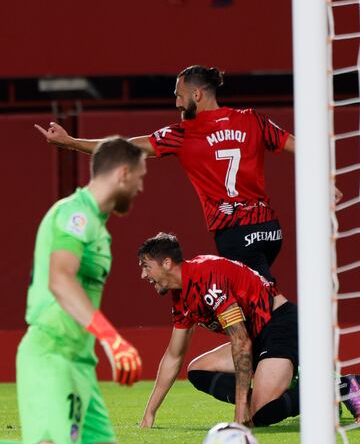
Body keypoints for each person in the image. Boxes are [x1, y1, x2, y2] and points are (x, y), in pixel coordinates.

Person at [35, 65, 323, 283]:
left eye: (179, 96)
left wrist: (71, 143)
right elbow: (301, 148)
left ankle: (299, 351)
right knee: (246, 304)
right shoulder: (253, 120)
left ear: (196, 94)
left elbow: (123, 148)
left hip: (235, 233)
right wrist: (325, 179)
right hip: (270, 230)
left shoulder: (182, 134)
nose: (177, 104)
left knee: (263, 304)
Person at [0, 136, 146, 444]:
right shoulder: (75, 214)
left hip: (79, 361)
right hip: (50, 354)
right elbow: (60, 280)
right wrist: (113, 341)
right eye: (141, 177)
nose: (142, 187)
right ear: (123, 174)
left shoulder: (97, 226)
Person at [137, 232, 300, 428]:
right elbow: (174, 356)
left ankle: (335, 388)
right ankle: (285, 384)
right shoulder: (181, 298)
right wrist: (149, 414)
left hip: (279, 325)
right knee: (197, 371)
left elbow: (240, 341)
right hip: (255, 335)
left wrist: (240, 407)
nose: (143, 275)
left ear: (166, 263)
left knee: (260, 415)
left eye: (146, 267)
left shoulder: (207, 277)